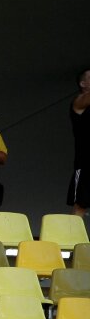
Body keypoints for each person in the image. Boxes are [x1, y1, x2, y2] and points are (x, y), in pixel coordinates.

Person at [70, 67, 90, 216]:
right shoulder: (79, 101)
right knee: (81, 205)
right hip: (86, 163)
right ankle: (71, 238)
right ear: (83, 83)